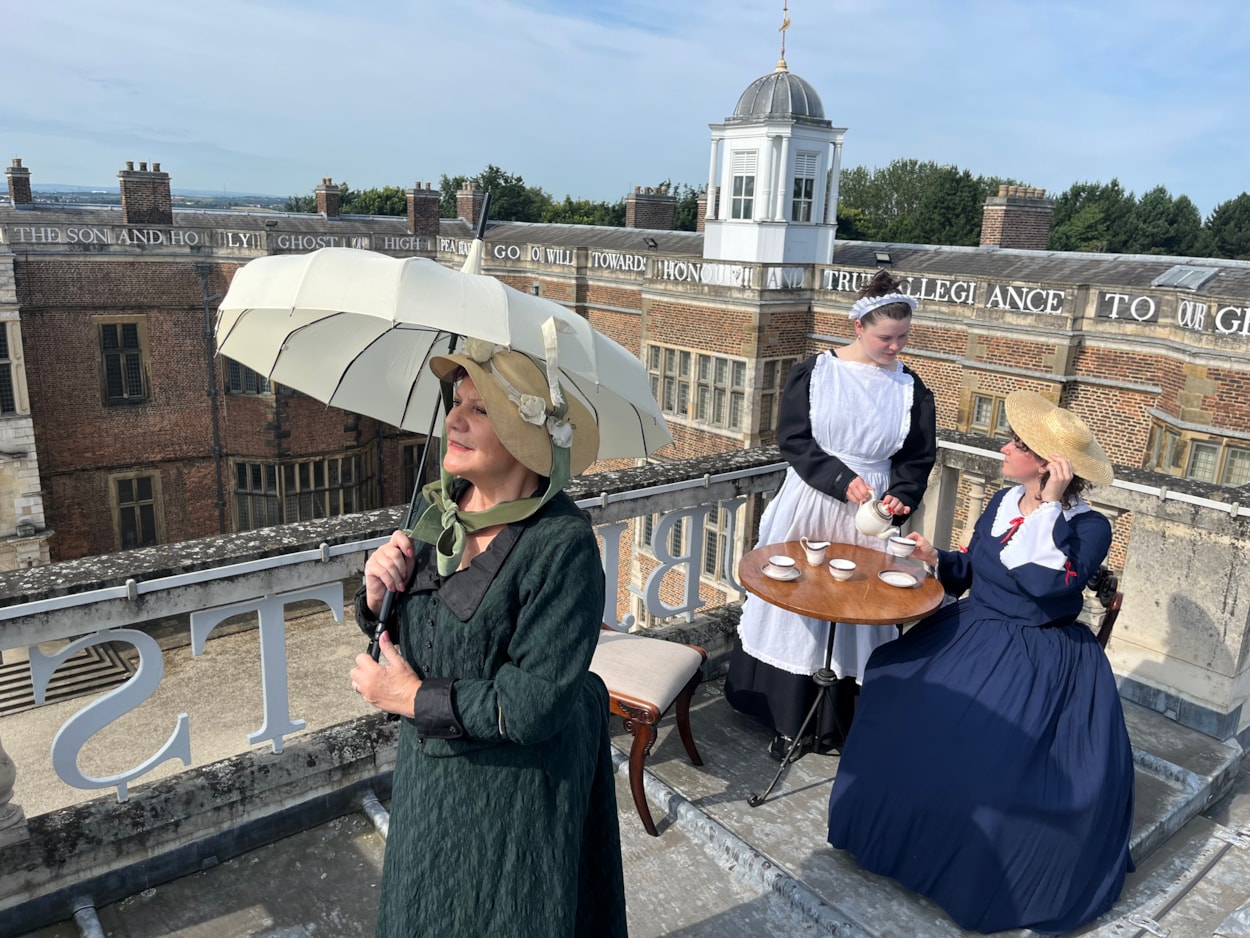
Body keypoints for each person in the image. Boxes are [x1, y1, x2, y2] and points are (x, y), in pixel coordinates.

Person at [826, 390, 1134, 934]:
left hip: (1038, 652)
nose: (1003, 447)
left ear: (1046, 463)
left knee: (983, 753)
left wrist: (1048, 506)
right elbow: (972, 571)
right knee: (895, 684)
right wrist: (935, 557)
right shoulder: (1000, 501)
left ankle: (963, 875)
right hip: (973, 628)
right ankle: (889, 836)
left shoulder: (1090, 529)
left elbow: (1041, 583)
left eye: (1016, 444)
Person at [349, 339, 627, 938]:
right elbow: (407, 637)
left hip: (518, 791)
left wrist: (409, 698)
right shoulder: (438, 512)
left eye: (480, 408)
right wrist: (376, 599)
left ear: (528, 440)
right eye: (457, 401)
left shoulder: (563, 547)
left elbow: (533, 704)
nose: (455, 417)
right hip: (433, 778)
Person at [725, 269, 937, 760]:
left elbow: (917, 457)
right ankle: (787, 719)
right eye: (886, 337)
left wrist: (900, 495)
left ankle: (840, 721)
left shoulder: (911, 390)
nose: (896, 347)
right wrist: (842, 480)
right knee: (798, 596)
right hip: (813, 499)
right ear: (859, 327)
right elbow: (794, 439)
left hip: (873, 510)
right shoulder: (816, 373)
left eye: (903, 337)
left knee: (862, 605)